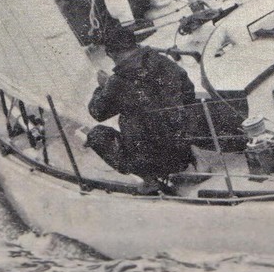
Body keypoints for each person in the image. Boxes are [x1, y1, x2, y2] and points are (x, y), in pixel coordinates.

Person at [84, 25, 205, 190]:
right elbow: (188, 90)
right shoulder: (161, 61)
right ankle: (195, 156)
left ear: (111, 53)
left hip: (157, 159)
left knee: (96, 135)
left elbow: (97, 112)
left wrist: (102, 87)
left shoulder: (116, 83)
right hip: (186, 146)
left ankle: (150, 179)